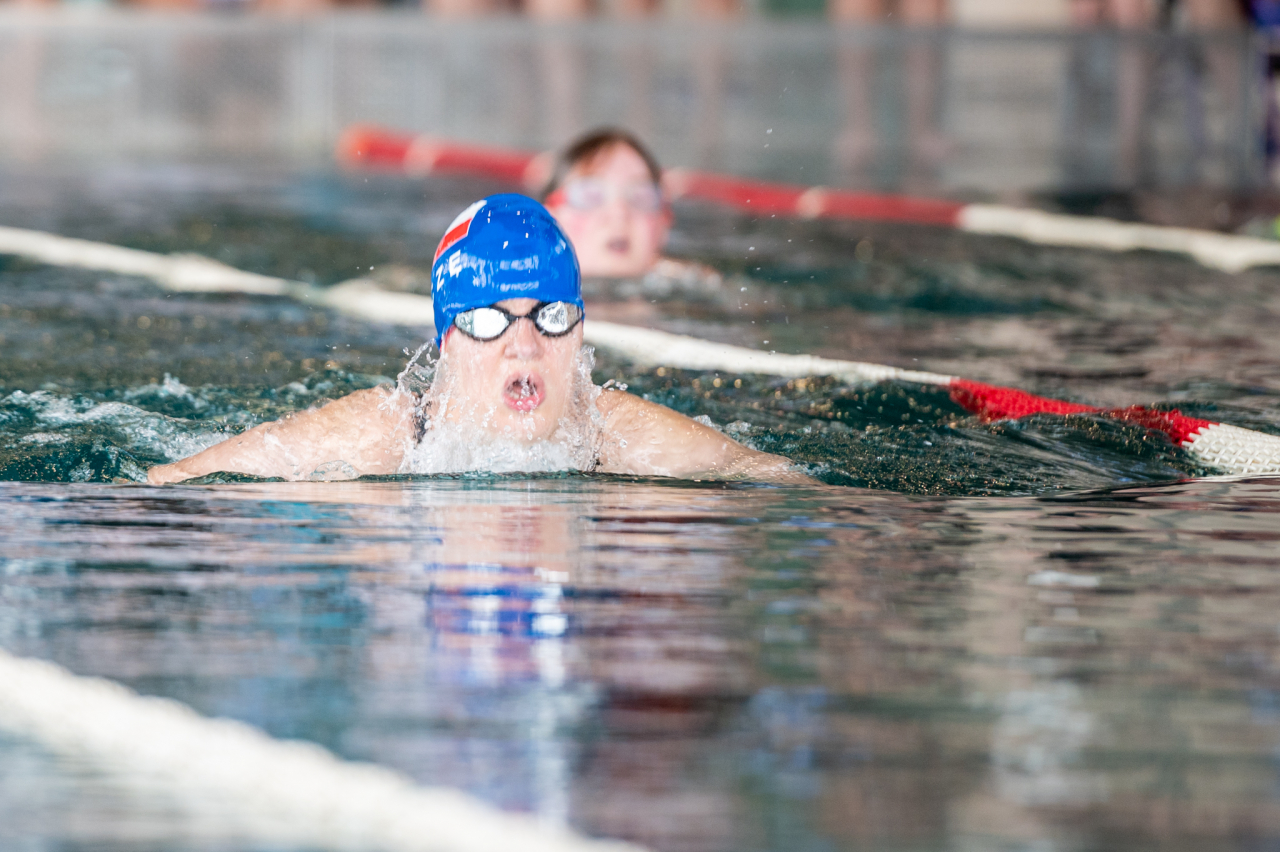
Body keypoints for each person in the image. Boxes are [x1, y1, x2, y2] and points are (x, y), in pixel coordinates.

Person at [147, 194, 809, 485]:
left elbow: (789, 485)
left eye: (549, 315)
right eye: (490, 320)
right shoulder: (386, 435)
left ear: (580, 330)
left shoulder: (621, 437)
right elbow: (176, 481)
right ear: (448, 340)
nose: (524, 344)